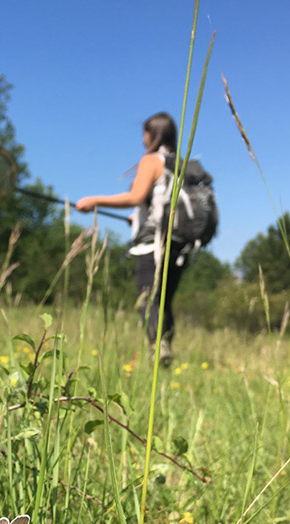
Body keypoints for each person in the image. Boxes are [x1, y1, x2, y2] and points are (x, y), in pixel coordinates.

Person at [75, 112, 189, 365]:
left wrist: (95, 201)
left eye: (145, 134)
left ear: (155, 135)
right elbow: (163, 202)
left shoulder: (151, 160)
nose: (142, 141)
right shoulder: (181, 164)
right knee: (165, 301)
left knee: (148, 299)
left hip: (153, 245)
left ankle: (158, 349)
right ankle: (166, 350)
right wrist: (135, 219)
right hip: (181, 246)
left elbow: (137, 196)